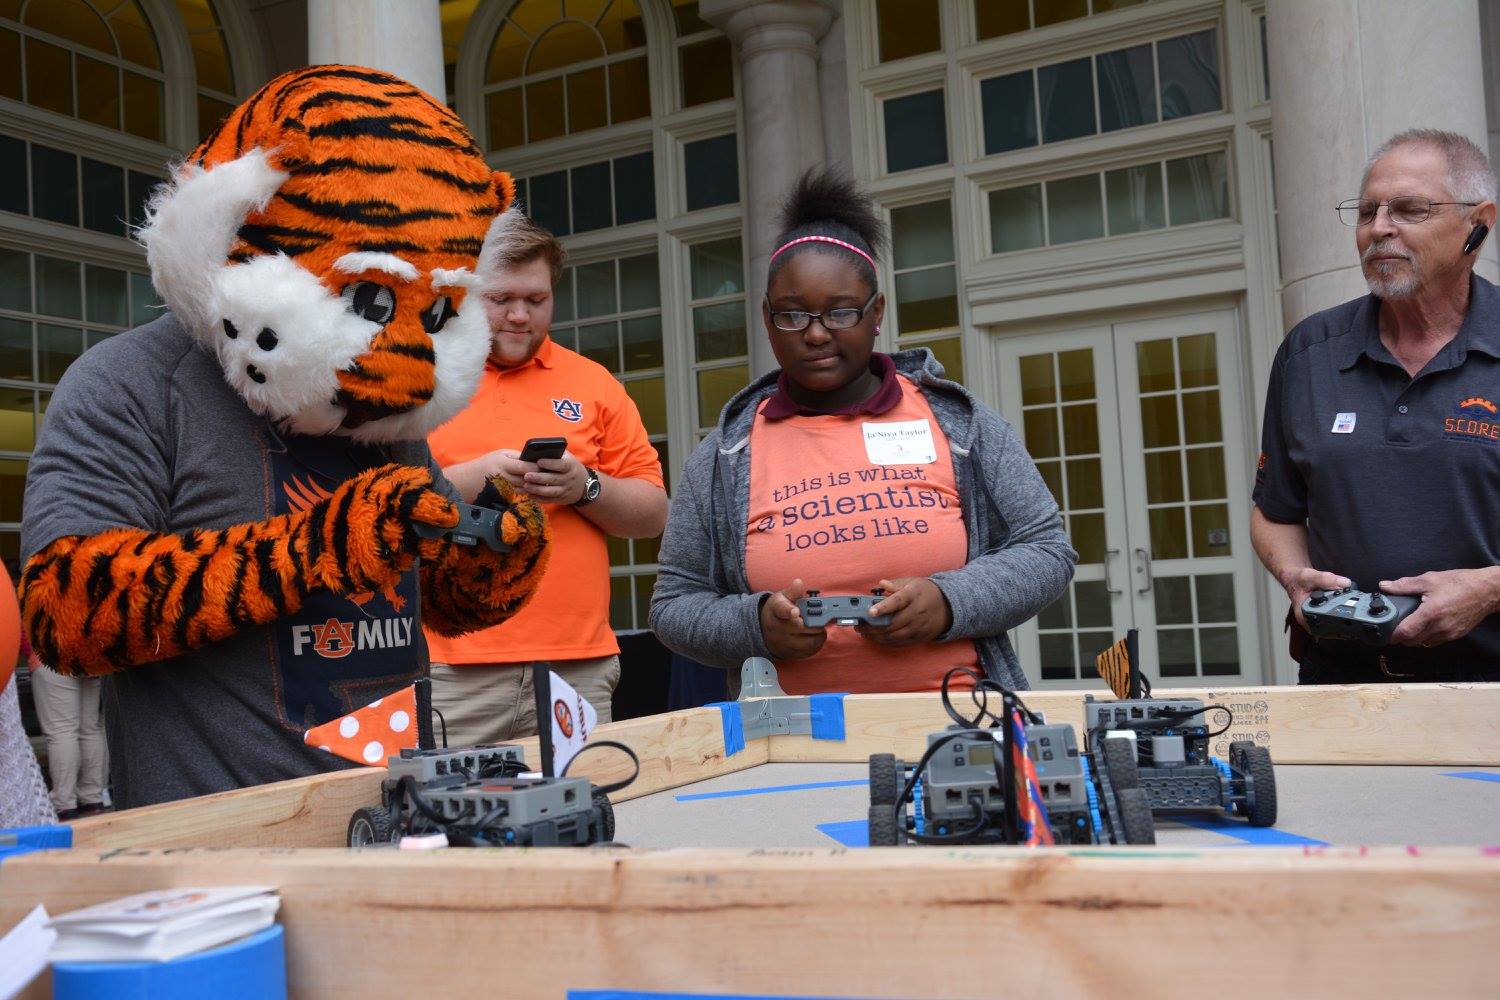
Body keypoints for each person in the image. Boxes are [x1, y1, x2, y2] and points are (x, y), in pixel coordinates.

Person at [18, 68, 549, 807]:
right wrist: (313, 552)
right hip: (216, 850)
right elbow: (64, 609)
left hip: (399, 822)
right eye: (369, 297)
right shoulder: (131, 382)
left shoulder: (385, 406)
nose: (403, 351)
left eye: (430, 316)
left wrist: (480, 564)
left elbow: (411, 596)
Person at [650, 170, 1076, 695]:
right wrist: (756, 624)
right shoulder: (726, 452)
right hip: (791, 746)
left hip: (958, 724)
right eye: (792, 314)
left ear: (876, 313)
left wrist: (949, 603)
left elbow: (1047, 549)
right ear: (766, 319)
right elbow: (673, 604)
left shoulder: (958, 423)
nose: (815, 332)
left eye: (841, 311)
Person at [1252, 128, 1500, 683]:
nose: (1379, 229)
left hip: (1491, 693)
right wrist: (1295, 577)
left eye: (1409, 209)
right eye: (1367, 212)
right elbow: (1276, 512)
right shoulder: (1309, 352)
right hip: (1340, 683)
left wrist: (1488, 590)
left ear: (1478, 223)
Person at [427, 210, 668, 744]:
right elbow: (374, 509)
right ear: (466, 295)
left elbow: (653, 514)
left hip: (576, 666)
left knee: (582, 819)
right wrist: (473, 478)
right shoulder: (423, 381)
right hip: (450, 667)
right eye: (500, 299)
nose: (519, 315)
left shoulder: (594, 383)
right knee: (445, 823)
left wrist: (586, 488)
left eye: (536, 301)